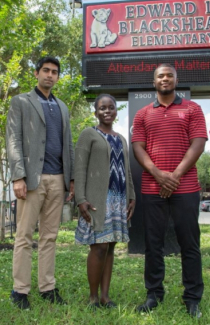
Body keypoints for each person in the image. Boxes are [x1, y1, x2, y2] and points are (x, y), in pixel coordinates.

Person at [132, 63, 207, 318]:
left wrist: (173, 176)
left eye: (169, 76)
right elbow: (138, 148)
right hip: (152, 188)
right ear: (154, 82)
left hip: (185, 187)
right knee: (153, 244)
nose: (165, 79)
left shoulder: (193, 109)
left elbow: (198, 144)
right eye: (160, 76)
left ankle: (192, 297)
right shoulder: (142, 114)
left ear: (176, 80)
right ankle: (154, 294)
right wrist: (158, 175)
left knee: (189, 244)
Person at [6, 56, 75, 310]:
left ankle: (47, 287)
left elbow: (68, 144)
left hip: (58, 178)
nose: (50, 75)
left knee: (50, 236)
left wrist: (71, 178)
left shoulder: (63, 107)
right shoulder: (21, 101)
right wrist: (18, 176)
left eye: (54, 72)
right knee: (24, 236)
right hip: (31, 178)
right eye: (45, 70)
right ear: (36, 73)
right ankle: (20, 290)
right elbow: (13, 139)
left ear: (57, 77)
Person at [74, 94, 135, 309]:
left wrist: (132, 196)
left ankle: (105, 297)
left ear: (116, 111)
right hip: (98, 200)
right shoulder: (88, 134)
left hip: (118, 199)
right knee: (98, 247)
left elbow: (126, 170)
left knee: (110, 248)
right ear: (95, 112)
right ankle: (92, 297)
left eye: (111, 107)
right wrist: (80, 199)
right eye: (102, 108)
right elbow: (79, 168)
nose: (107, 111)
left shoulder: (121, 139)